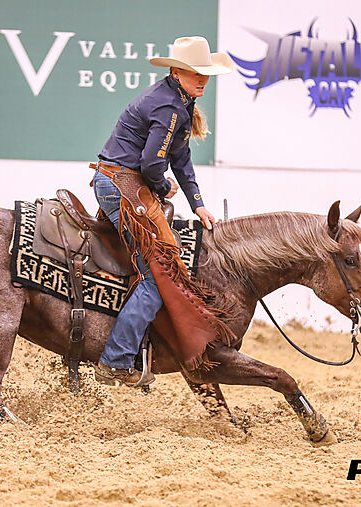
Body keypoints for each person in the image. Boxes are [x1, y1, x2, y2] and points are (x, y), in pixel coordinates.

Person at [91, 36, 234, 387]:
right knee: (160, 275)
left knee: (159, 269)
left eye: (205, 73)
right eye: (195, 72)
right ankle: (115, 360)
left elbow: (181, 158)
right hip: (122, 184)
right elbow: (152, 165)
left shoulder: (178, 101)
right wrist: (161, 186)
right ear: (176, 71)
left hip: (120, 181)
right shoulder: (170, 107)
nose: (203, 79)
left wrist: (197, 203)